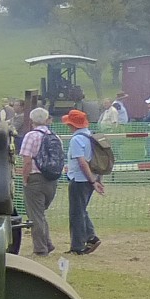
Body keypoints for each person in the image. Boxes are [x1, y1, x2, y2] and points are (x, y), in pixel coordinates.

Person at [16, 107, 60, 257]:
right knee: (40, 214)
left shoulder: (31, 136)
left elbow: (27, 161)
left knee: (35, 215)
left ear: (32, 120)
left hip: (35, 178)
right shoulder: (54, 136)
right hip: (51, 180)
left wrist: (25, 178)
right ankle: (47, 243)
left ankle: (40, 249)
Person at [62, 109, 104, 254]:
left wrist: (92, 181)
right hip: (91, 178)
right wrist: (97, 180)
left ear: (72, 124)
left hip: (80, 179)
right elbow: (97, 160)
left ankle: (78, 246)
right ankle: (91, 237)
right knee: (81, 210)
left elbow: (82, 162)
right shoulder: (91, 136)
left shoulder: (76, 139)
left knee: (76, 213)